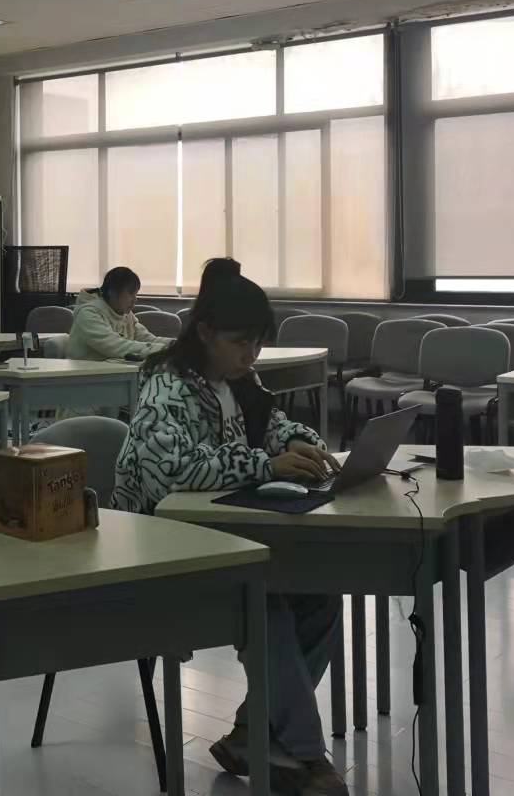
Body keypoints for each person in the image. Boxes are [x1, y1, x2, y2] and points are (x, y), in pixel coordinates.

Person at [112, 272, 346, 796]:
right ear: (204, 332)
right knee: (265, 603)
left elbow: (273, 425)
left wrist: (301, 443)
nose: (251, 355)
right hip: (160, 550)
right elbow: (169, 473)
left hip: (222, 539)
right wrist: (264, 465)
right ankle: (306, 755)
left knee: (321, 595)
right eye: (241, 342)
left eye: (257, 343)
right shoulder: (166, 384)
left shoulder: (239, 381)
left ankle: (251, 736)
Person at [67, 266, 169, 361]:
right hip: (84, 372)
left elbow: (148, 339)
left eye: (135, 294)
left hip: (112, 370)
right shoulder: (88, 313)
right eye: (131, 293)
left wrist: (175, 345)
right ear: (112, 293)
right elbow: (114, 345)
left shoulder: (125, 314)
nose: (135, 299)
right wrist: (164, 350)